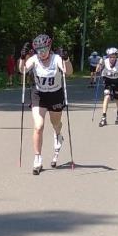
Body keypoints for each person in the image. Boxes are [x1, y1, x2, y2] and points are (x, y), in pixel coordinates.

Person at [19, 33, 73, 174]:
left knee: (55, 123)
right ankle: (37, 158)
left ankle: (58, 134)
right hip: (39, 95)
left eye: (44, 49)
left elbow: (68, 73)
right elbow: (22, 70)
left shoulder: (56, 59)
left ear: (49, 47)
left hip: (55, 95)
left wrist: (66, 59)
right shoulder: (34, 59)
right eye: (39, 50)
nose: (42, 53)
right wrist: (22, 57)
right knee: (39, 126)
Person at [96, 46, 118, 127]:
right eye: (110, 56)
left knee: (117, 97)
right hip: (107, 80)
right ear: (108, 56)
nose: (112, 58)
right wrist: (100, 63)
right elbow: (97, 70)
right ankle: (103, 117)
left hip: (117, 80)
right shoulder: (105, 61)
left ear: (116, 56)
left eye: (114, 56)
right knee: (106, 95)